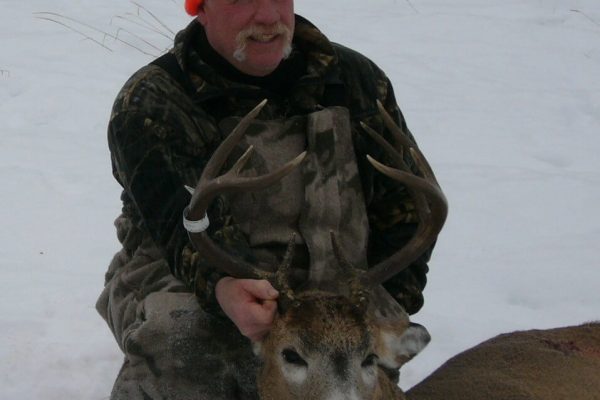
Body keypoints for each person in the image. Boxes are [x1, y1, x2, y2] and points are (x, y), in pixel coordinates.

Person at [97, 0, 434, 399]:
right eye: (242, 1)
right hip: (197, 284)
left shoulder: (355, 80)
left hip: (340, 293)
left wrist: (381, 300)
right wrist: (221, 284)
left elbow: (406, 209)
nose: (269, 17)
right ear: (201, 9)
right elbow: (179, 222)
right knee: (184, 350)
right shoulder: (153, 99)